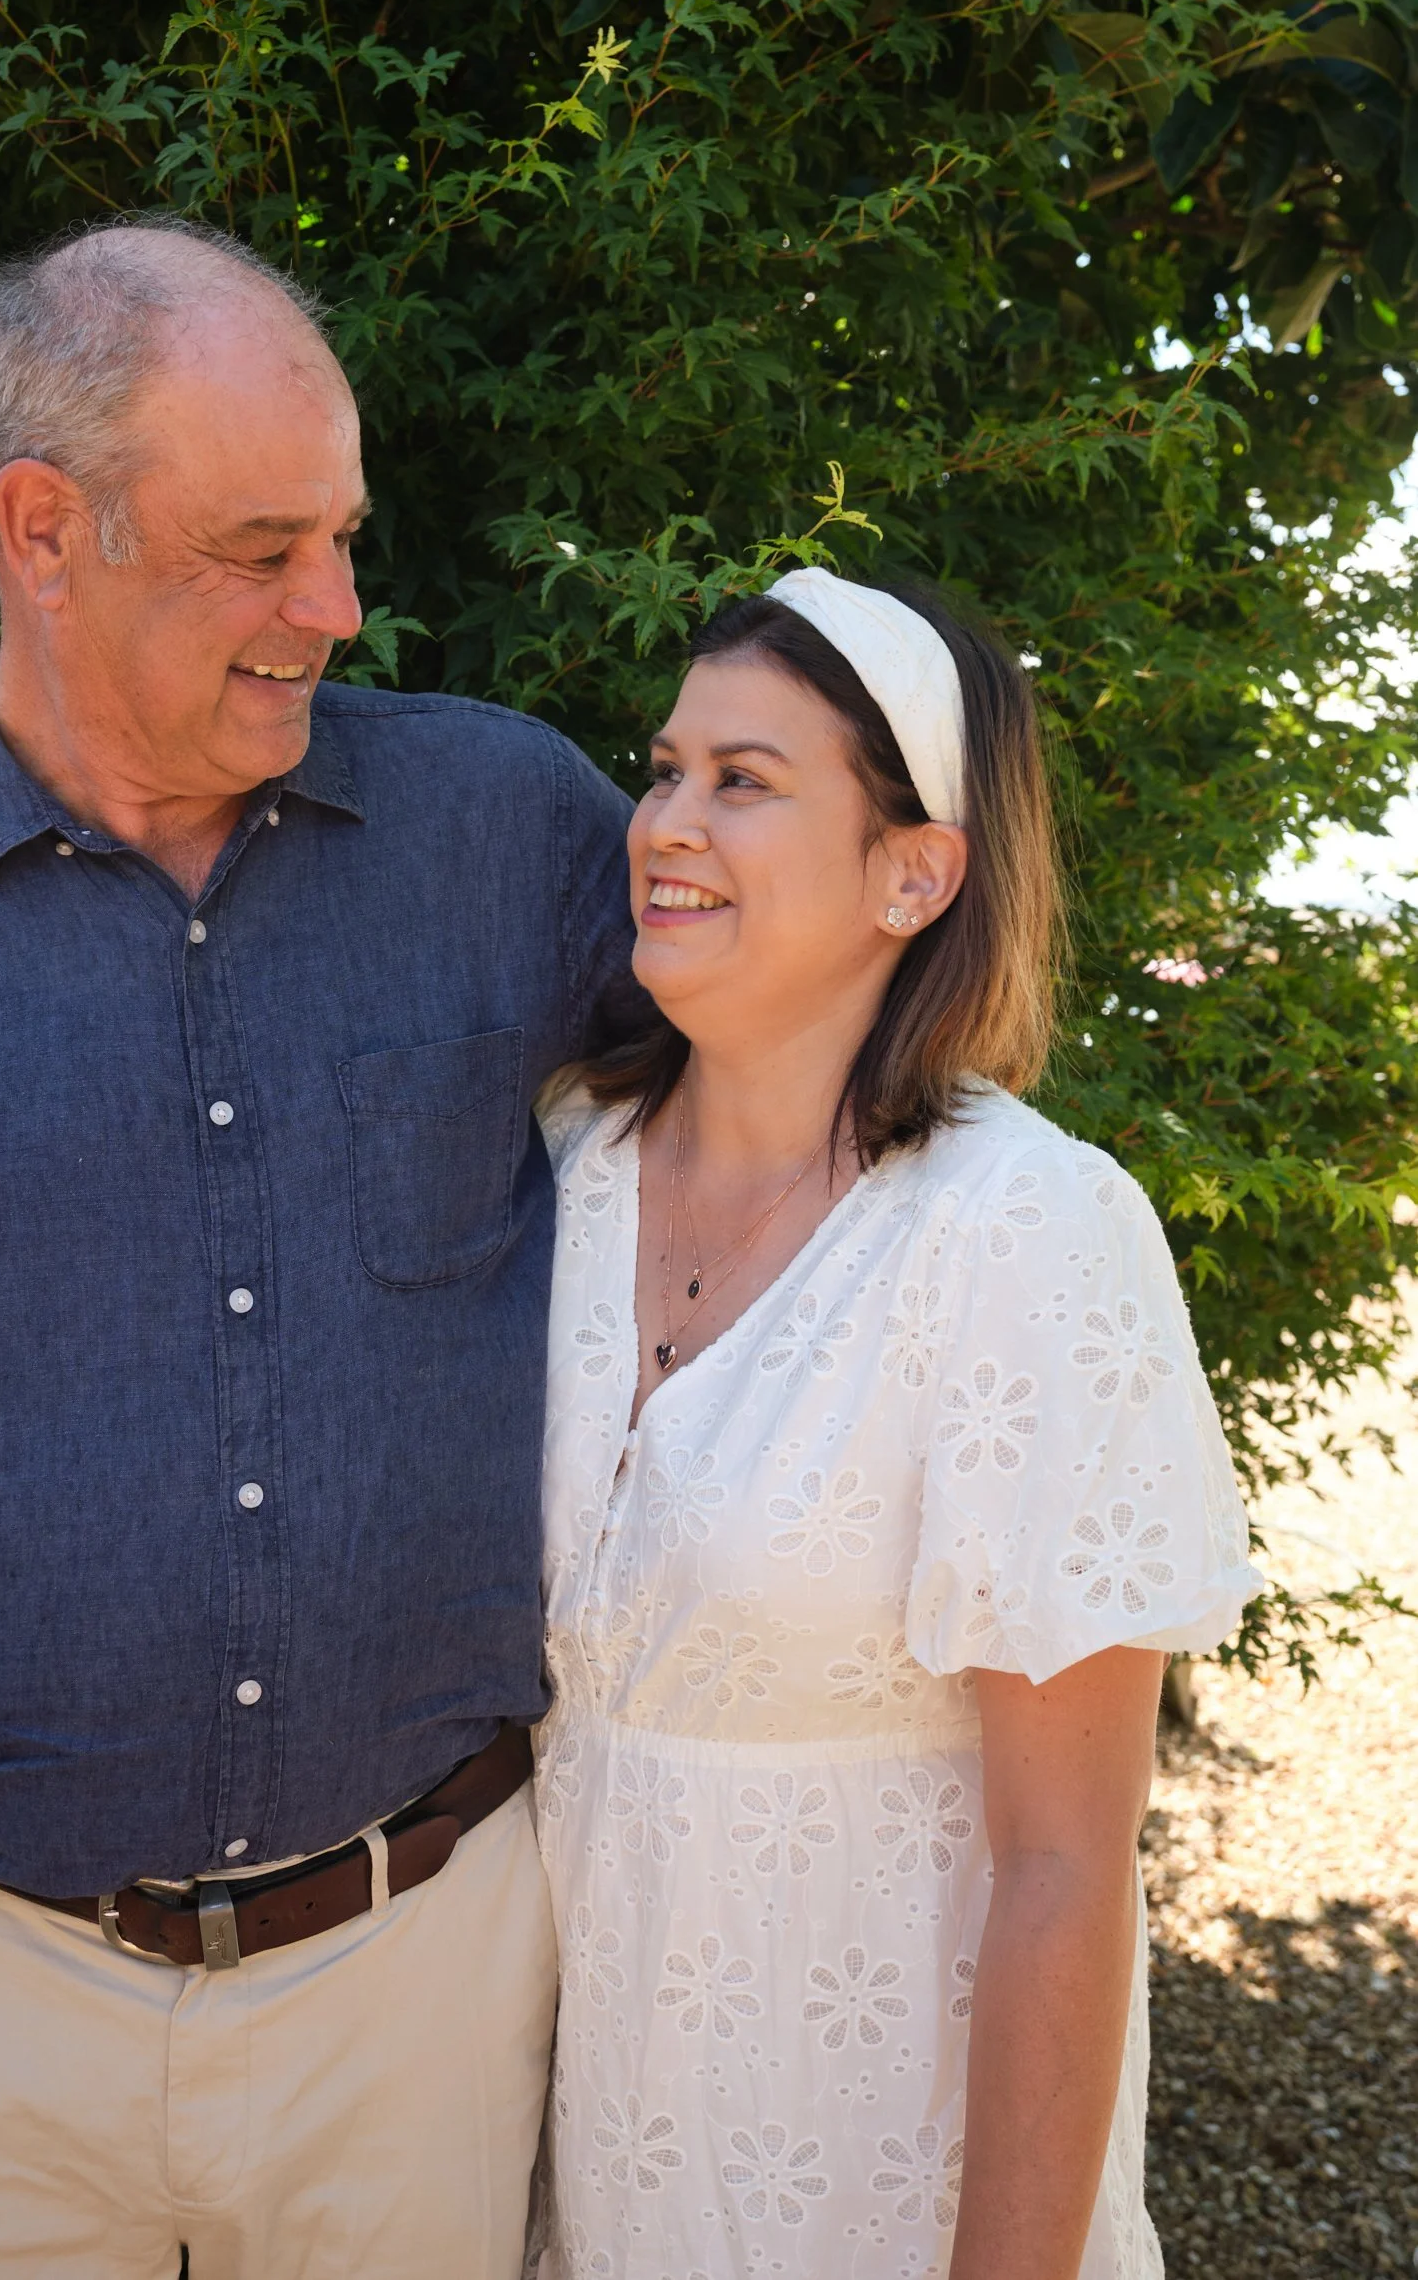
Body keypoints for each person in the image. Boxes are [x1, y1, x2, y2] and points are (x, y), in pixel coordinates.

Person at [0, 216, 643, 2279]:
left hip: (418, 1982)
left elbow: (806, 1109)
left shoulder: (506, 831)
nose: (331, 606)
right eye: (264, 548)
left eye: (341, 536)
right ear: (45, 529)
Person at [532, 571, 1261, 2279]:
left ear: (912, 869)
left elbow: (1068, 1869)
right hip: (598, 2177)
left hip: (886, 2178)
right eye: (663, 768)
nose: (664, 821)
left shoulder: (1022, 1232)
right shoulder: (569, 1169)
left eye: (745, 780)